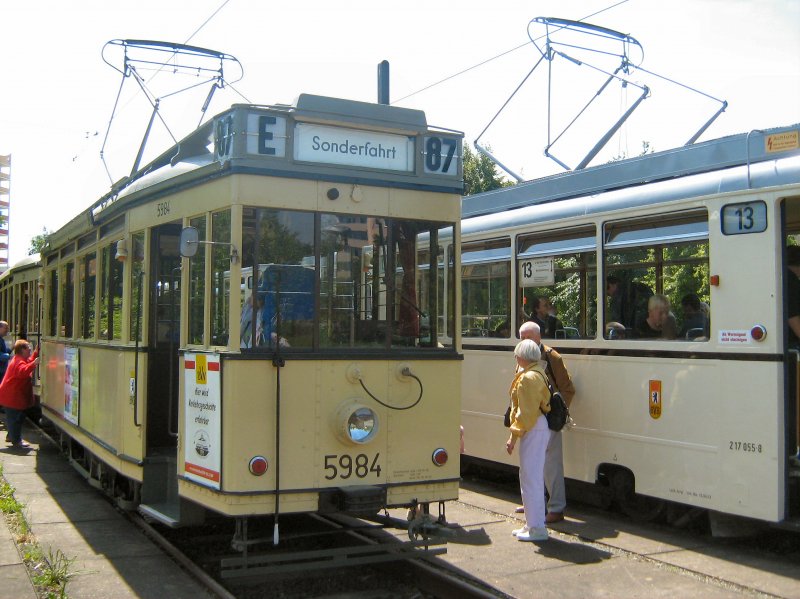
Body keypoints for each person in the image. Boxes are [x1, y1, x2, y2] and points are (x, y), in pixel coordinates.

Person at [516, 321, 576, 523]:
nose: (525, 342)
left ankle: (556, 508)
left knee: (551, 465)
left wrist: (557, 415)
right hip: (530, 420)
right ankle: (534, 504)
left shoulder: (552, 357)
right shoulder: (523, 357)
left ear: (539, 337)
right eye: (522, 338)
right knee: (531, 465)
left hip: (548, 421)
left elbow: (567, 389)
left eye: (529, 338)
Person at [505, 339, 552, 542]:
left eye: (516, 354)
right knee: (532, 478)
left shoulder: (527, 378)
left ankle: (537, 528)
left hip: (533, 429)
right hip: (539, 427)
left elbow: (524, 414)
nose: (515, 357)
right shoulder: (538, 372)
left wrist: (513, 437)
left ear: (523, 357)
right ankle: (533, 524)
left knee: (530, 478)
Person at [0, 340, 40, 448]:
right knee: (16, 419)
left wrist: (36, 353)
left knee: (17, 417)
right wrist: (34, 363)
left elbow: (28, 362)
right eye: (28, 347)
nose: (30, 349)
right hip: (11, 397)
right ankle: (16, 441)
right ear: (22, 350)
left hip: (12, 396)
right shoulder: (18, 361)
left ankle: (11, 436)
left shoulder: (20, 359)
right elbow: (23, 371)